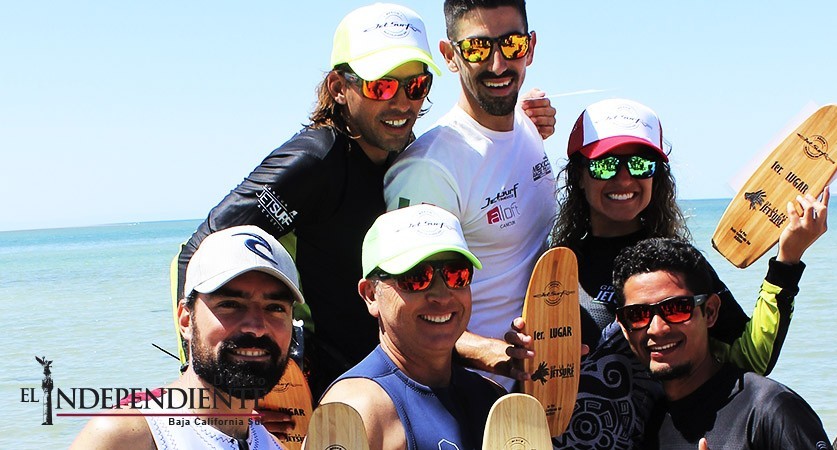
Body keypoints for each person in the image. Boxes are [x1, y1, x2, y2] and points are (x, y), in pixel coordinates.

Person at [173, 2, 555, 401]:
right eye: (380, 86)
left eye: (416, 86)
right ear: (340, 88)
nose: (402, 103)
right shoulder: (314, 161)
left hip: (388, 381)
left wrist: (523, 125)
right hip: (324, 387)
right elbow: (201, 251)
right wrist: (204, 379)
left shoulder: (399, 150)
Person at [508, 98, 830, 448]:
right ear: (579, 176)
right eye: (605, 165)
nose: (624, 177)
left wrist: (787, 260)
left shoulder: (675, 267)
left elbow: (750, 356)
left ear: (657, 177)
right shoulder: (555, 266)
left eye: (641, 164)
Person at [383, 0, 557, 390]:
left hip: (542, 386)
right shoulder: (430, 168)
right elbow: (401, 309)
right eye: (478, 48)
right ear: (449, 56)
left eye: (510, 44)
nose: (498, 64)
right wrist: (491, 353)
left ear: (530, 47)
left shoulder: (527, 129)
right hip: (469, 394)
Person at [71, 225, 303, 449]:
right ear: (185, 320)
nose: (256, 327)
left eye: (275, 308)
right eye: (230, 305)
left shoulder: (270, 444)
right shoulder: (129, 437)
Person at [612, 237, 832, 449]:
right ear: (623, 326)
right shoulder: (648, 424)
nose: (657, 328)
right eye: (637, 314)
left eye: (677, 308)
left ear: (710, 312)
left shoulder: (769, 410)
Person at [318, 204, 505, 449]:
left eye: (456, 274)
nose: (441, 295)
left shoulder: (493, 399)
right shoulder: (354, 409)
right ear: (371, 295)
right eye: (416, 277)